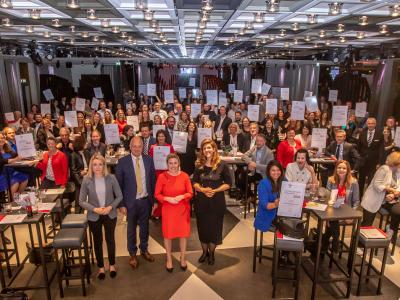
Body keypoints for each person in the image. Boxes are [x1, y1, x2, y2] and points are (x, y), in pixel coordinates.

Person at [79, 154, 123, 279]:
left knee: (110, 240)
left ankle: (112, 264)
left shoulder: (111, 178)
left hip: (110, 213)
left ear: (104, 165)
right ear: (91, 166)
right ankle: (101, 267)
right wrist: (95, 209)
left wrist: (110, 207)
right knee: (98, 242)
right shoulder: (86, 180)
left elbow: (119, 196)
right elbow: (81, 201)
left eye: (100, 164)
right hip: (94, 215)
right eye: (95, 164)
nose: (97, 167)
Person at [115, 137, 156, 269]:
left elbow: (153, 182)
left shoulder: (149, 160)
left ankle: (144, 249)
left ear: (142, 147)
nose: (137, 148)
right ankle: (132, 254)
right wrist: (121, 204)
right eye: (134, 146)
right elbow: (118, 186)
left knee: (145, 228)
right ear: (130, 147)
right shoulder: (122, 162)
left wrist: (154, 201)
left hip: (145, 201)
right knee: (131, 230)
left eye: (139, 146)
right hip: (129, 203)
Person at [192, 139, 231, 265]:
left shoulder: (222, 165)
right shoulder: (199, 165)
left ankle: (212, 253)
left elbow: (229, 184)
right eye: (204, 148)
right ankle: (204, 252)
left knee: (214, 229)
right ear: (202, 151)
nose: (207, 150)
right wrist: (202, 189)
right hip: (201, 202)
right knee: (203, 229)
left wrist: (215, 190)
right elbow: (194, 182)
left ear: (214, 149)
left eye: (209, 147)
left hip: (217, 202)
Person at [154, 154, 193, 272]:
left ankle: (183, 257)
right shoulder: (162, 177)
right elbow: (157, 194)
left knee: (183, 235)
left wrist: (182, 196)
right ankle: (169, 258)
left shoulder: (185, 176)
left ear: (179, 164)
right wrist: (167, 199)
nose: (173, 166)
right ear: (167, 164)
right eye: (170, 163)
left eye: (175, 163)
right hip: (168, 210)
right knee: (168, 235)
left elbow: (190, 193)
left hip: (182, 209)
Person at [321, 160, 360, 253]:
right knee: (332, 220)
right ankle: (335, 241)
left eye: (344, 168)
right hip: (332, 210)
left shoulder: (353, 182)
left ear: (348, 170)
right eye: (339, 167)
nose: (341, 170)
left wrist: (351, 215)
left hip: (346, 213)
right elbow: (327, 198)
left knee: (330, 225)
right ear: (336, 169)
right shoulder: (331, 180)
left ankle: (324, 245)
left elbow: (356, 201)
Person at [361, 152, 400, 234]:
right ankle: (357, 242)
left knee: (397, 212)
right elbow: (376, 185)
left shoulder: (397, 172)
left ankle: (390, 229)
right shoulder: (384, 169)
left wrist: (393, 193)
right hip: (372, 200)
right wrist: (391, 190)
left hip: (385, 201)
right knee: (366, 225)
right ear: (396, 162)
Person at [254, 160, 284, 232]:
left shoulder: (283, 181)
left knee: (295, 225)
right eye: (273, 170)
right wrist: (276, 204)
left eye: (278, 170)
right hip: (267, 216)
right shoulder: (263, 184)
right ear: (269, 172)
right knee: (287, 228)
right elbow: (265, 205)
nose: (276, 172)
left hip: (281, 214)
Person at [358, 117, 383, 196]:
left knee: (370, 181)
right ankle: (359, 196)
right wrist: (359, 158)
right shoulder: (362, 133)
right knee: (361, 180)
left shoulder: (380, 134)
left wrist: (379, 162)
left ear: (375, 124)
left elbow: (381, 149)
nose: (371, 125)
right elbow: (359, 146)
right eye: (369, 123)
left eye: (372, 123)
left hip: (373, 162)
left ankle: (368, 198)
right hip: (363, 161)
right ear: (366, 124)